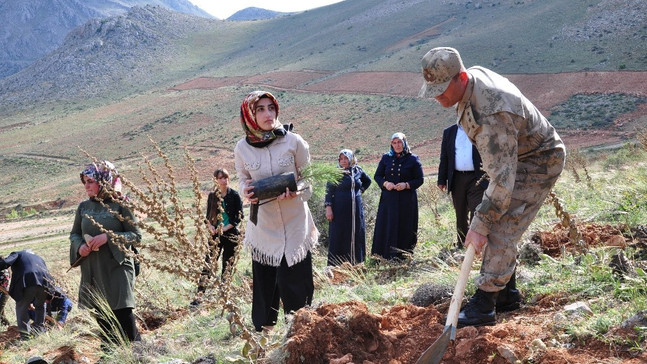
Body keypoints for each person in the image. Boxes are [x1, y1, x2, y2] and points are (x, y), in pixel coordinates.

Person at [419, 47, 565, 327]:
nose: (436, 95)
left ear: (460, 77)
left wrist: (479, 225)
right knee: (492, 216)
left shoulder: (491, 113)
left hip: (537, 160)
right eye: (432, 87)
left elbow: (502, 181)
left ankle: (485, 305)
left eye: (440, 88)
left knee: (499, 224)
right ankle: (506, 294)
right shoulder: (469, 85)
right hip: (514, 159)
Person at [234, 90, 319, 332]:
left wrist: (296, 191)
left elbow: (308, 180)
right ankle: (265, 339)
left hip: (294, 225)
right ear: (250, 114)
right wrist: (245, 191)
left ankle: (300, 333)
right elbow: (242, 179)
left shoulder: (294, 141)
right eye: (260, 109)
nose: (267, 113)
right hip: (264, 229)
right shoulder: (242, 148)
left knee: (297, 283)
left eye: (270, 107)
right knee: (266, 286)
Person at [69, 161, 142, 343]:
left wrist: (108, 237)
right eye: (84, 181)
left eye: (90, 181)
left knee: (123, 311)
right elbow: (74, 234)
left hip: (118, 266)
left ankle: (137, 351)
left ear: (103, 181)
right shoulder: (83, 207)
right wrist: (80, 247)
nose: (86, 185)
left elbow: (135, 236)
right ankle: (111, 352)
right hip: (94, 268)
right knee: (102, 314)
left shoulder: (120, 205)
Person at [371, 132, 425, 260]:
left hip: (407, 200)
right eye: (394, 143)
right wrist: (385, 183)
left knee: (405, 225)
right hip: (389, 200)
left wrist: (406, 185)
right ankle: (382, 256)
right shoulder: (386, 158)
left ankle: (403, 256)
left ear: (404, 142)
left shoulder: (413, 159)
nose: (397, 145)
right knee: (387, 224)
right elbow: (377, 176)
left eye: (399, 142)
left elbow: (420, 179)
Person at [194, 168, 244, 302]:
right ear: (216, 180)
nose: (224, 180)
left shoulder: (234, 195)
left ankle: (224, 296)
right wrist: (210, 226)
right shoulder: (212, 196)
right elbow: (208, 216)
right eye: (221, 178)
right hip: (215, 235)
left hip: (231, 234)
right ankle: (199, 296)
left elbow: (239, 216)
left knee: (227, 266)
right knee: (208, 264)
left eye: (226, 177)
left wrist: (226, 228)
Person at [438, 123, 488, 250]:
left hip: (477, 177)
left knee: (476, 209)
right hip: (457, 178)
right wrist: (441, 179)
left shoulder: (479, 129)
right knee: (460, 212)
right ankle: (462, 243)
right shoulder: (449, 132)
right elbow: (444, 156)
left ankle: (475, 245)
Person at [324, 149, 372, 266]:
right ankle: (336, 265)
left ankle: (357, 263)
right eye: (341, 159)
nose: (344, 161)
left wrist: (360, 191)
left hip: (356, 210)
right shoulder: (335, 172)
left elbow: (368, 181)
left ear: (351, 159)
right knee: (339, 234)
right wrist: (328, 208)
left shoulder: (357, 170)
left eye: (346, 158)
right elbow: (328, 191)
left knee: (356, 233)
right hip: (339, 209)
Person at [0, 250, 54, 339]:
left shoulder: (17, 254)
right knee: (40, 306)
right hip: (44, 281)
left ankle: (25, 336)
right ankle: (39, 332)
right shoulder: (38, 257)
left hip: (27, 280)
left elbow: (6, 262)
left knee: (22, 308)